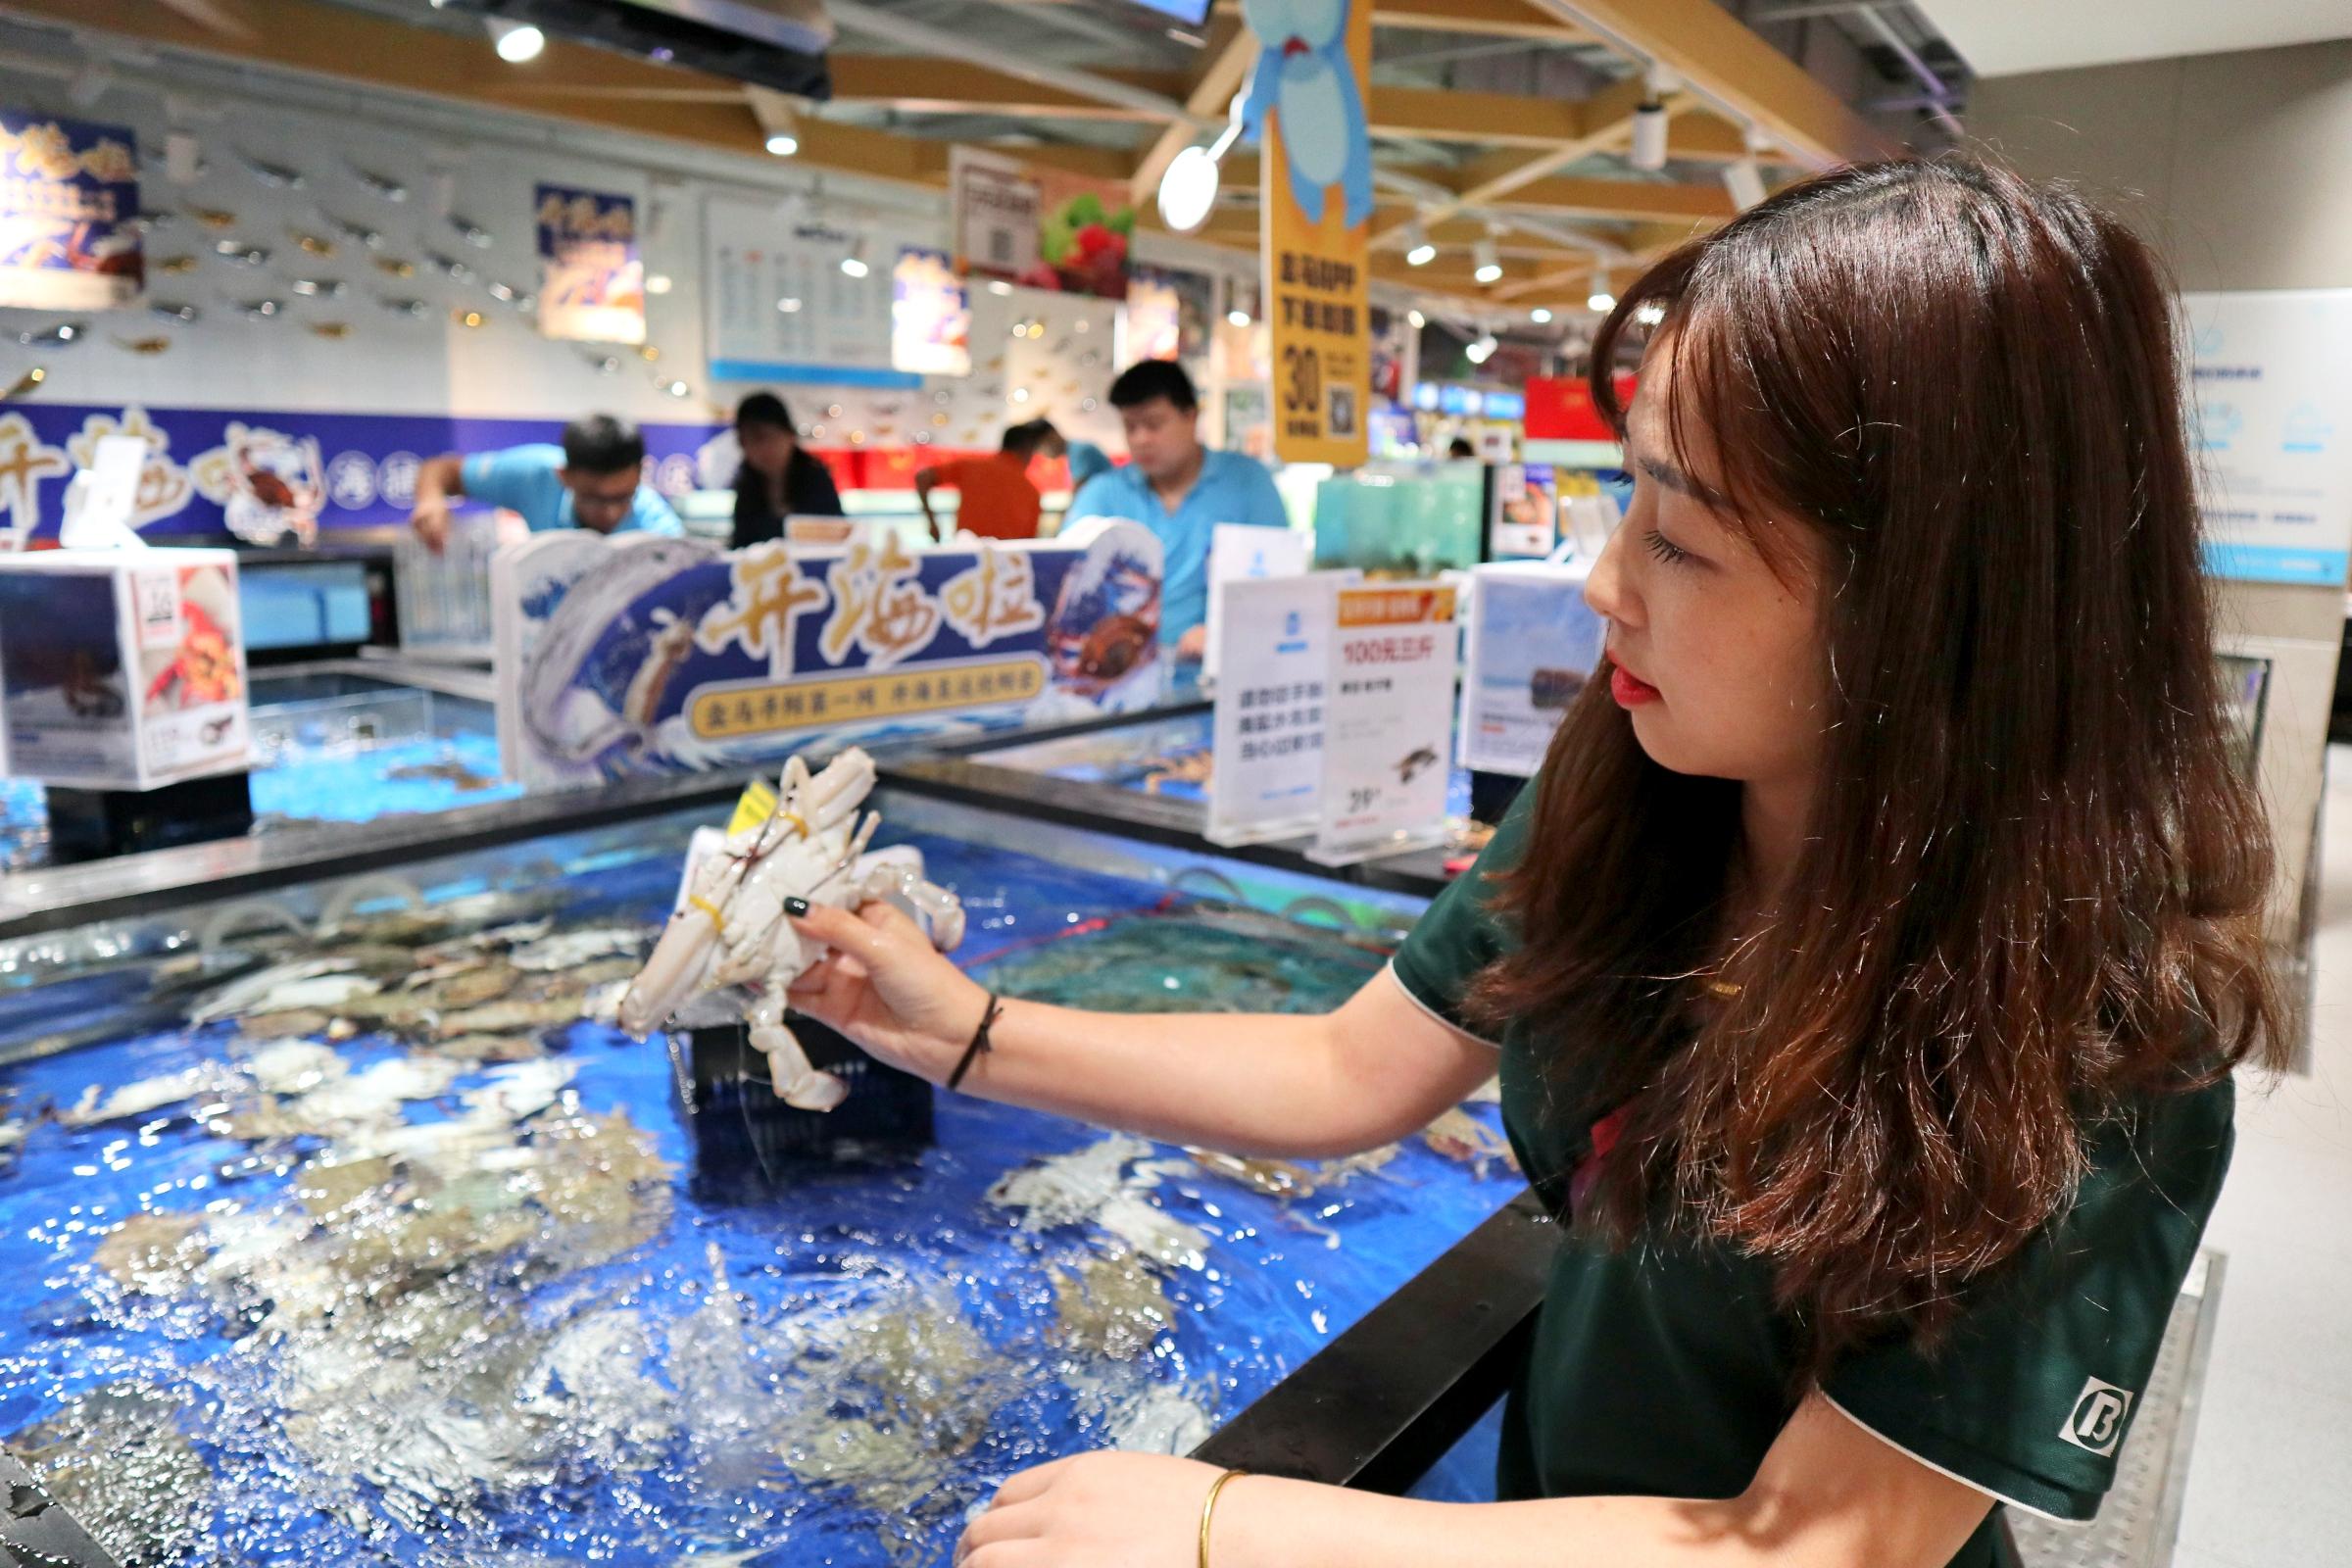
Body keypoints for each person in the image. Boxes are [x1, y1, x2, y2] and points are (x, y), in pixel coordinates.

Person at [770, 161, 2283, 1568]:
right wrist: (954, 1028)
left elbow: (1821, 1543)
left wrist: (1230, 1523)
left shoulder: (2097, 1040)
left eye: (1680, 541)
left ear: (1937, 604)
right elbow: (1350, 1070)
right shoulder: (1639, 777)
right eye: (1628, 497)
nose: (1599, 581)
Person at [1066, 360, 1288, 660]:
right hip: (1121, 673)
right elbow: (1067, 582)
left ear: (1191, 416)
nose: (1141, 439)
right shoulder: (1102, 494)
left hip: (1224, 668)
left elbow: (1278, 583)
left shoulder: (1248, 482)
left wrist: (1224, 630)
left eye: (1154, 424)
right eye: (1130, 427)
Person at [408, 415, 679, 550]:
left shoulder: (660, 532)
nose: (610, 512)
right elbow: (440, 470)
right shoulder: (536, 476)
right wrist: (431, 501)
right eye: (594, 498)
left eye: (623, 498)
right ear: (564, 476)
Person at [730, 392, 846, 550]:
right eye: (749, 440)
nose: (762, 449)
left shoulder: (816, 480)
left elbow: (838, 534)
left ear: (789, 435)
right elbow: (740, 546)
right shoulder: (747, 490)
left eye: (767, 437)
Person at [915, 419, 1059, 543]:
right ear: (1027, 449)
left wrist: (932, 522)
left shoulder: (971, 467)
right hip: (1005, 568)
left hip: (965, 558)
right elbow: (1028, 545)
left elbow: (922, 477)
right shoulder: (1031, 492)